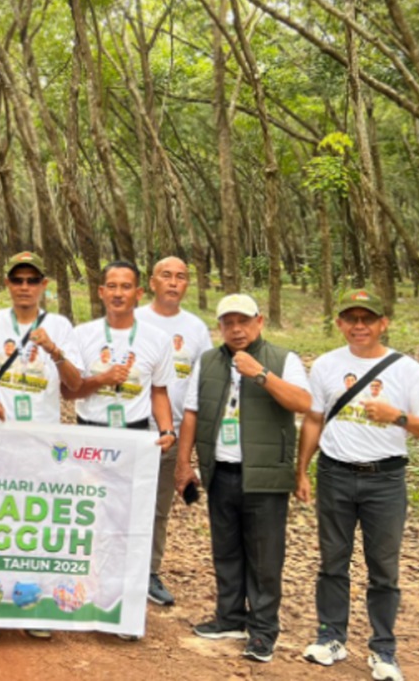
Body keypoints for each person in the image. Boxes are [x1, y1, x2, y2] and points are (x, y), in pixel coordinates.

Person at [297, 290, 419, 681]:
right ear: (340, 324)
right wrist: (301, 470)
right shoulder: (326, 365)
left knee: (383, 568)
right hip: (335, 475)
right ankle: (331, 637)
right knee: (333, 562)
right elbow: (314, 419)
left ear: (384, 323)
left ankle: (383, 650)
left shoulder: (407, 370)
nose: (359, 326)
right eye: (351, 318)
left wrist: (397, 417)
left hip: (385, 478)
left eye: (368, 319)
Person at [176, 293, 311, 663]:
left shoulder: (283, 359)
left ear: (260, 322)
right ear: (219, 327)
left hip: (265, 476)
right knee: (227, 551)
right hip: (221, 472)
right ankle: (230, 618)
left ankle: (263, 630)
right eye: (228, 323)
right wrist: (184, 464)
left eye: (243, 321)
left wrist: (261, 375)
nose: (236, 329)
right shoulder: (207, 362)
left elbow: (303, 403)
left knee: (265, 558)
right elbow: (191, 412)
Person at [0, 251, 82, 642]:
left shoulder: (62, 326)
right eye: (17, 280)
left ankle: (30, 600)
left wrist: (53, 349)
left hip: (42, 438)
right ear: (7, 284)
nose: (24, 287)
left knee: (34, 517)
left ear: (43, 286)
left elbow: (73, 382)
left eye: (32, 281)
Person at [67, 260, 177, 611]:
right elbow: (70, 392)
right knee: (87, 514)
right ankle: (82, 589)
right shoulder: (82, 335)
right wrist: (101, 378)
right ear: (101, 292)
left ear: (139, 293)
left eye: (125, 287)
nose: (118, 293)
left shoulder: (156, 340)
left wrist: (167, 429)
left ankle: (120, 601)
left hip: (134, 438)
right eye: (111, 286)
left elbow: (159, 391)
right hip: (91, 435)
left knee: (126, 518)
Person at [135, 256, 214, 607]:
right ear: (152, 282)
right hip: (132, 429)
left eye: (180, 277)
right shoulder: (133, 320)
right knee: (119, 501)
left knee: (157, 507)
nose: (172, 282)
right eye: (165, 275)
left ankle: (148, 571)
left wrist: (194, 446)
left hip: (173, 432)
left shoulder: (196, 328)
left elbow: (204, 383)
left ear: (187, 284)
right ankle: (108, 570)